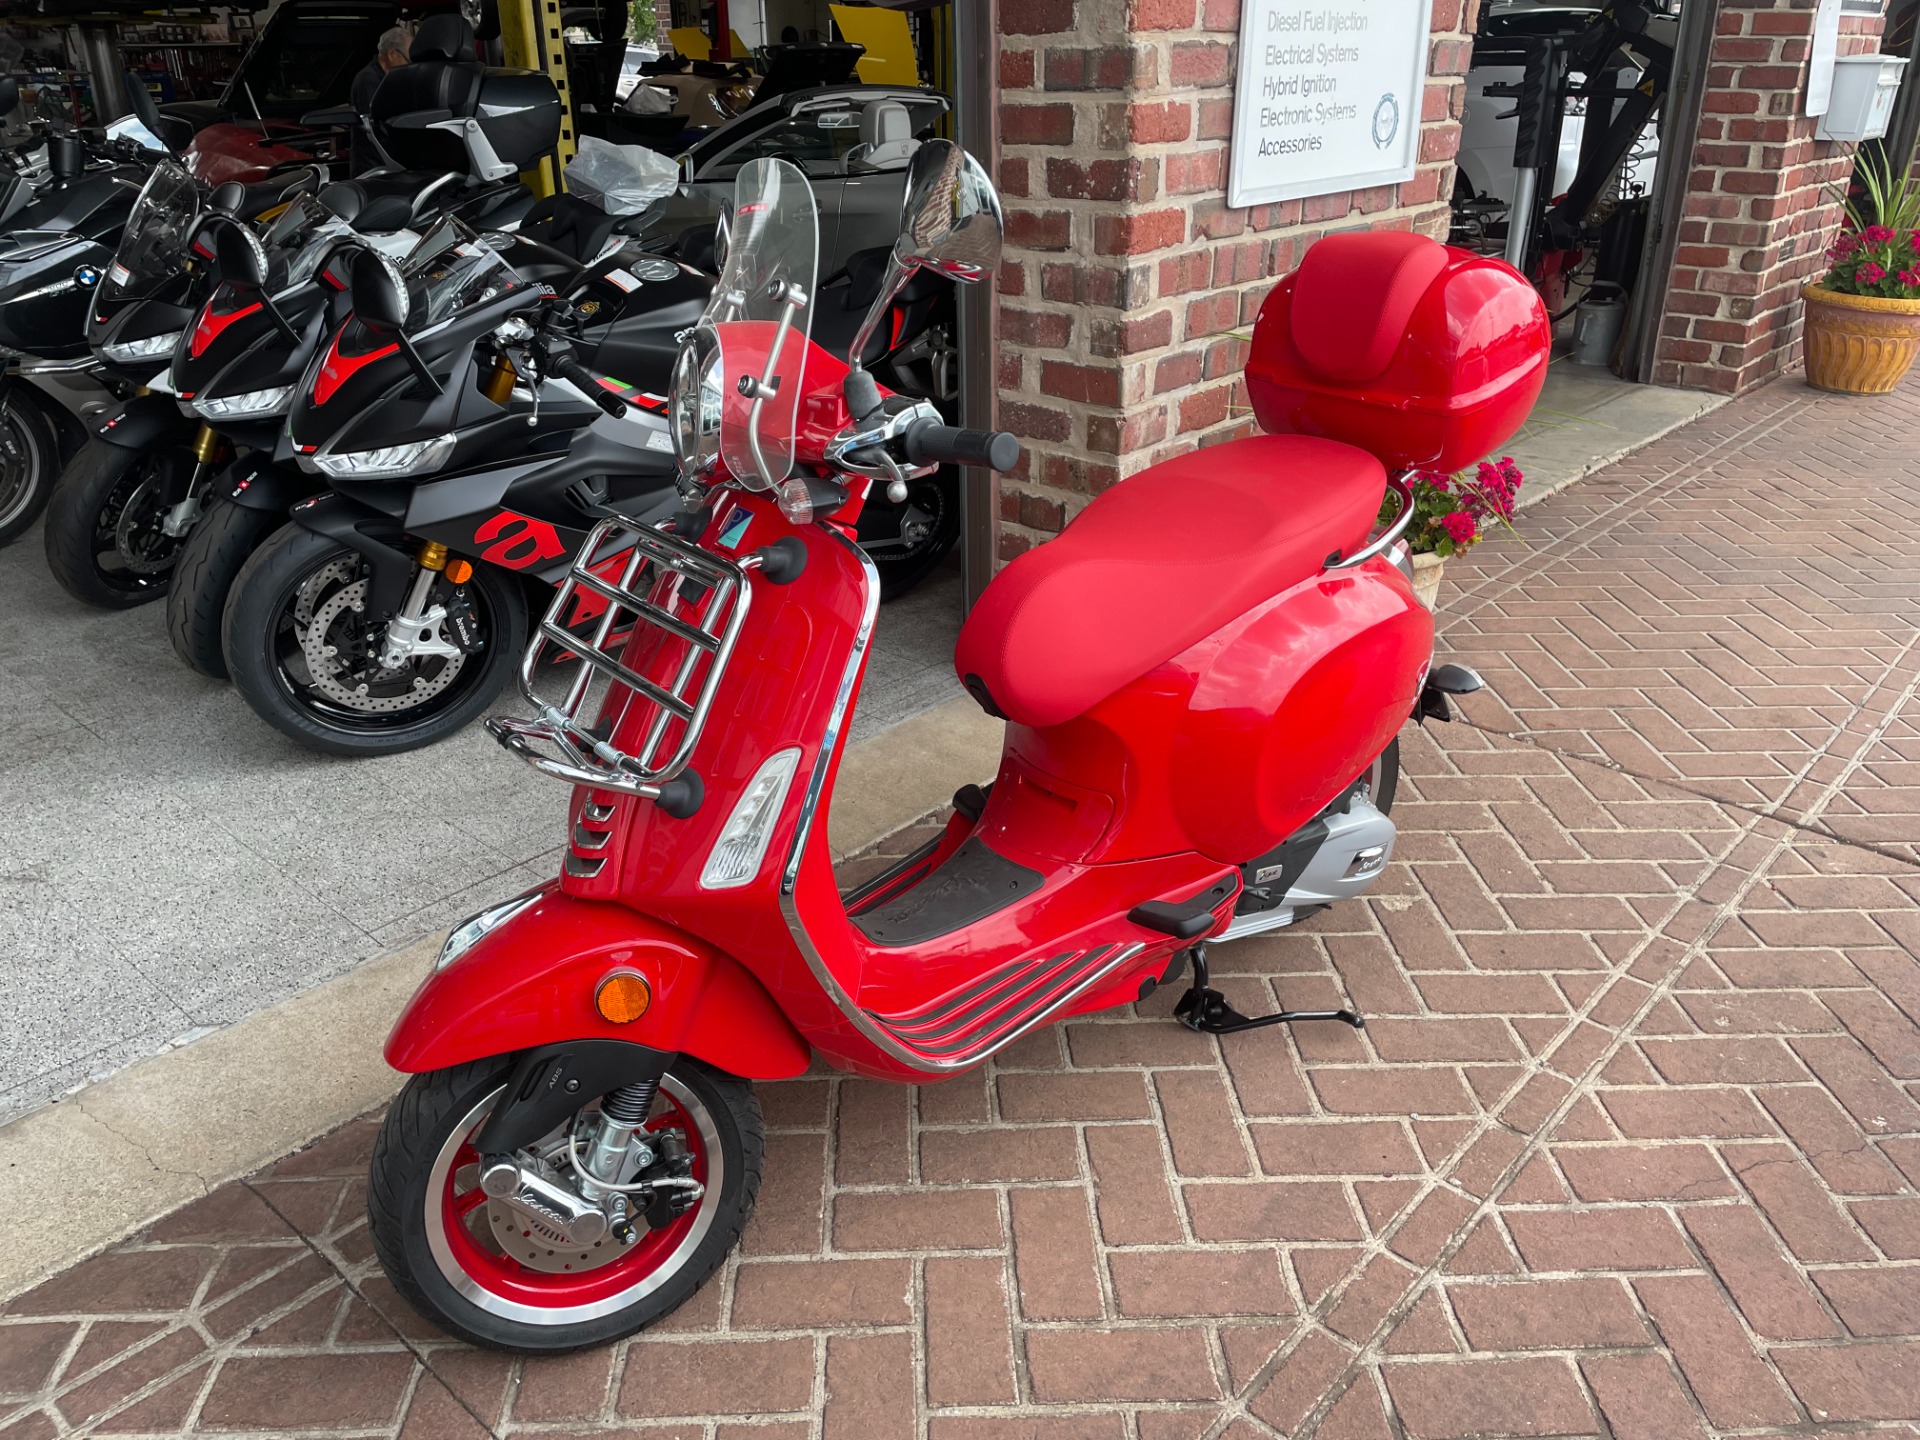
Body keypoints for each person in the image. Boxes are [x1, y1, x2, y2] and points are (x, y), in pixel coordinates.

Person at [351, 25, 412, 113]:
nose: (410, 66)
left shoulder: (392, 77)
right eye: (408, 60)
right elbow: (374, 116)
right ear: (391, 54)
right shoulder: (368, 79)